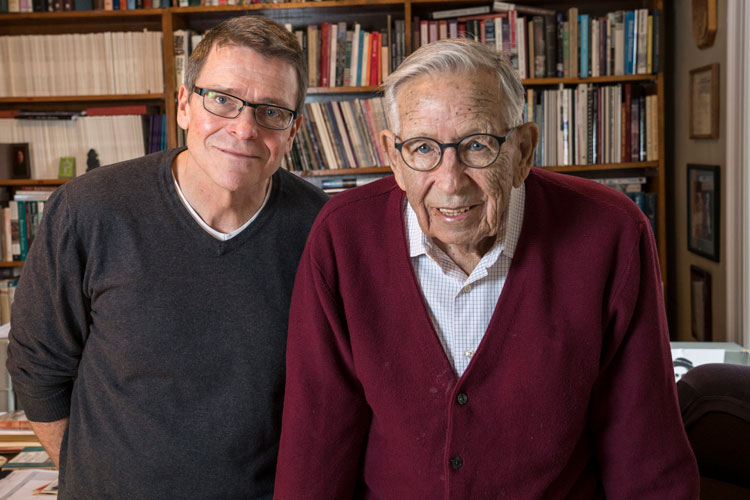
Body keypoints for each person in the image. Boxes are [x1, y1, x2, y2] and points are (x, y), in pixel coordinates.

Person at [274, 38, 699, 498]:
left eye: (477, 145)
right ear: (393, 157)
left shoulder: (611, 234)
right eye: (422, 148)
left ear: (522, 151)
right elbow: (314, 452)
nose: (450, 181)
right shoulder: (343, 237)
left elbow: (647, 459)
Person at [7, 16, 327, 499]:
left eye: (271, 112)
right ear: (183, 104)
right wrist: (97, 478)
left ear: (293, 129)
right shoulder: (89, 209)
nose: (243, 129)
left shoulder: (323, 228)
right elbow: (38, 369)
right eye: (222, 100)